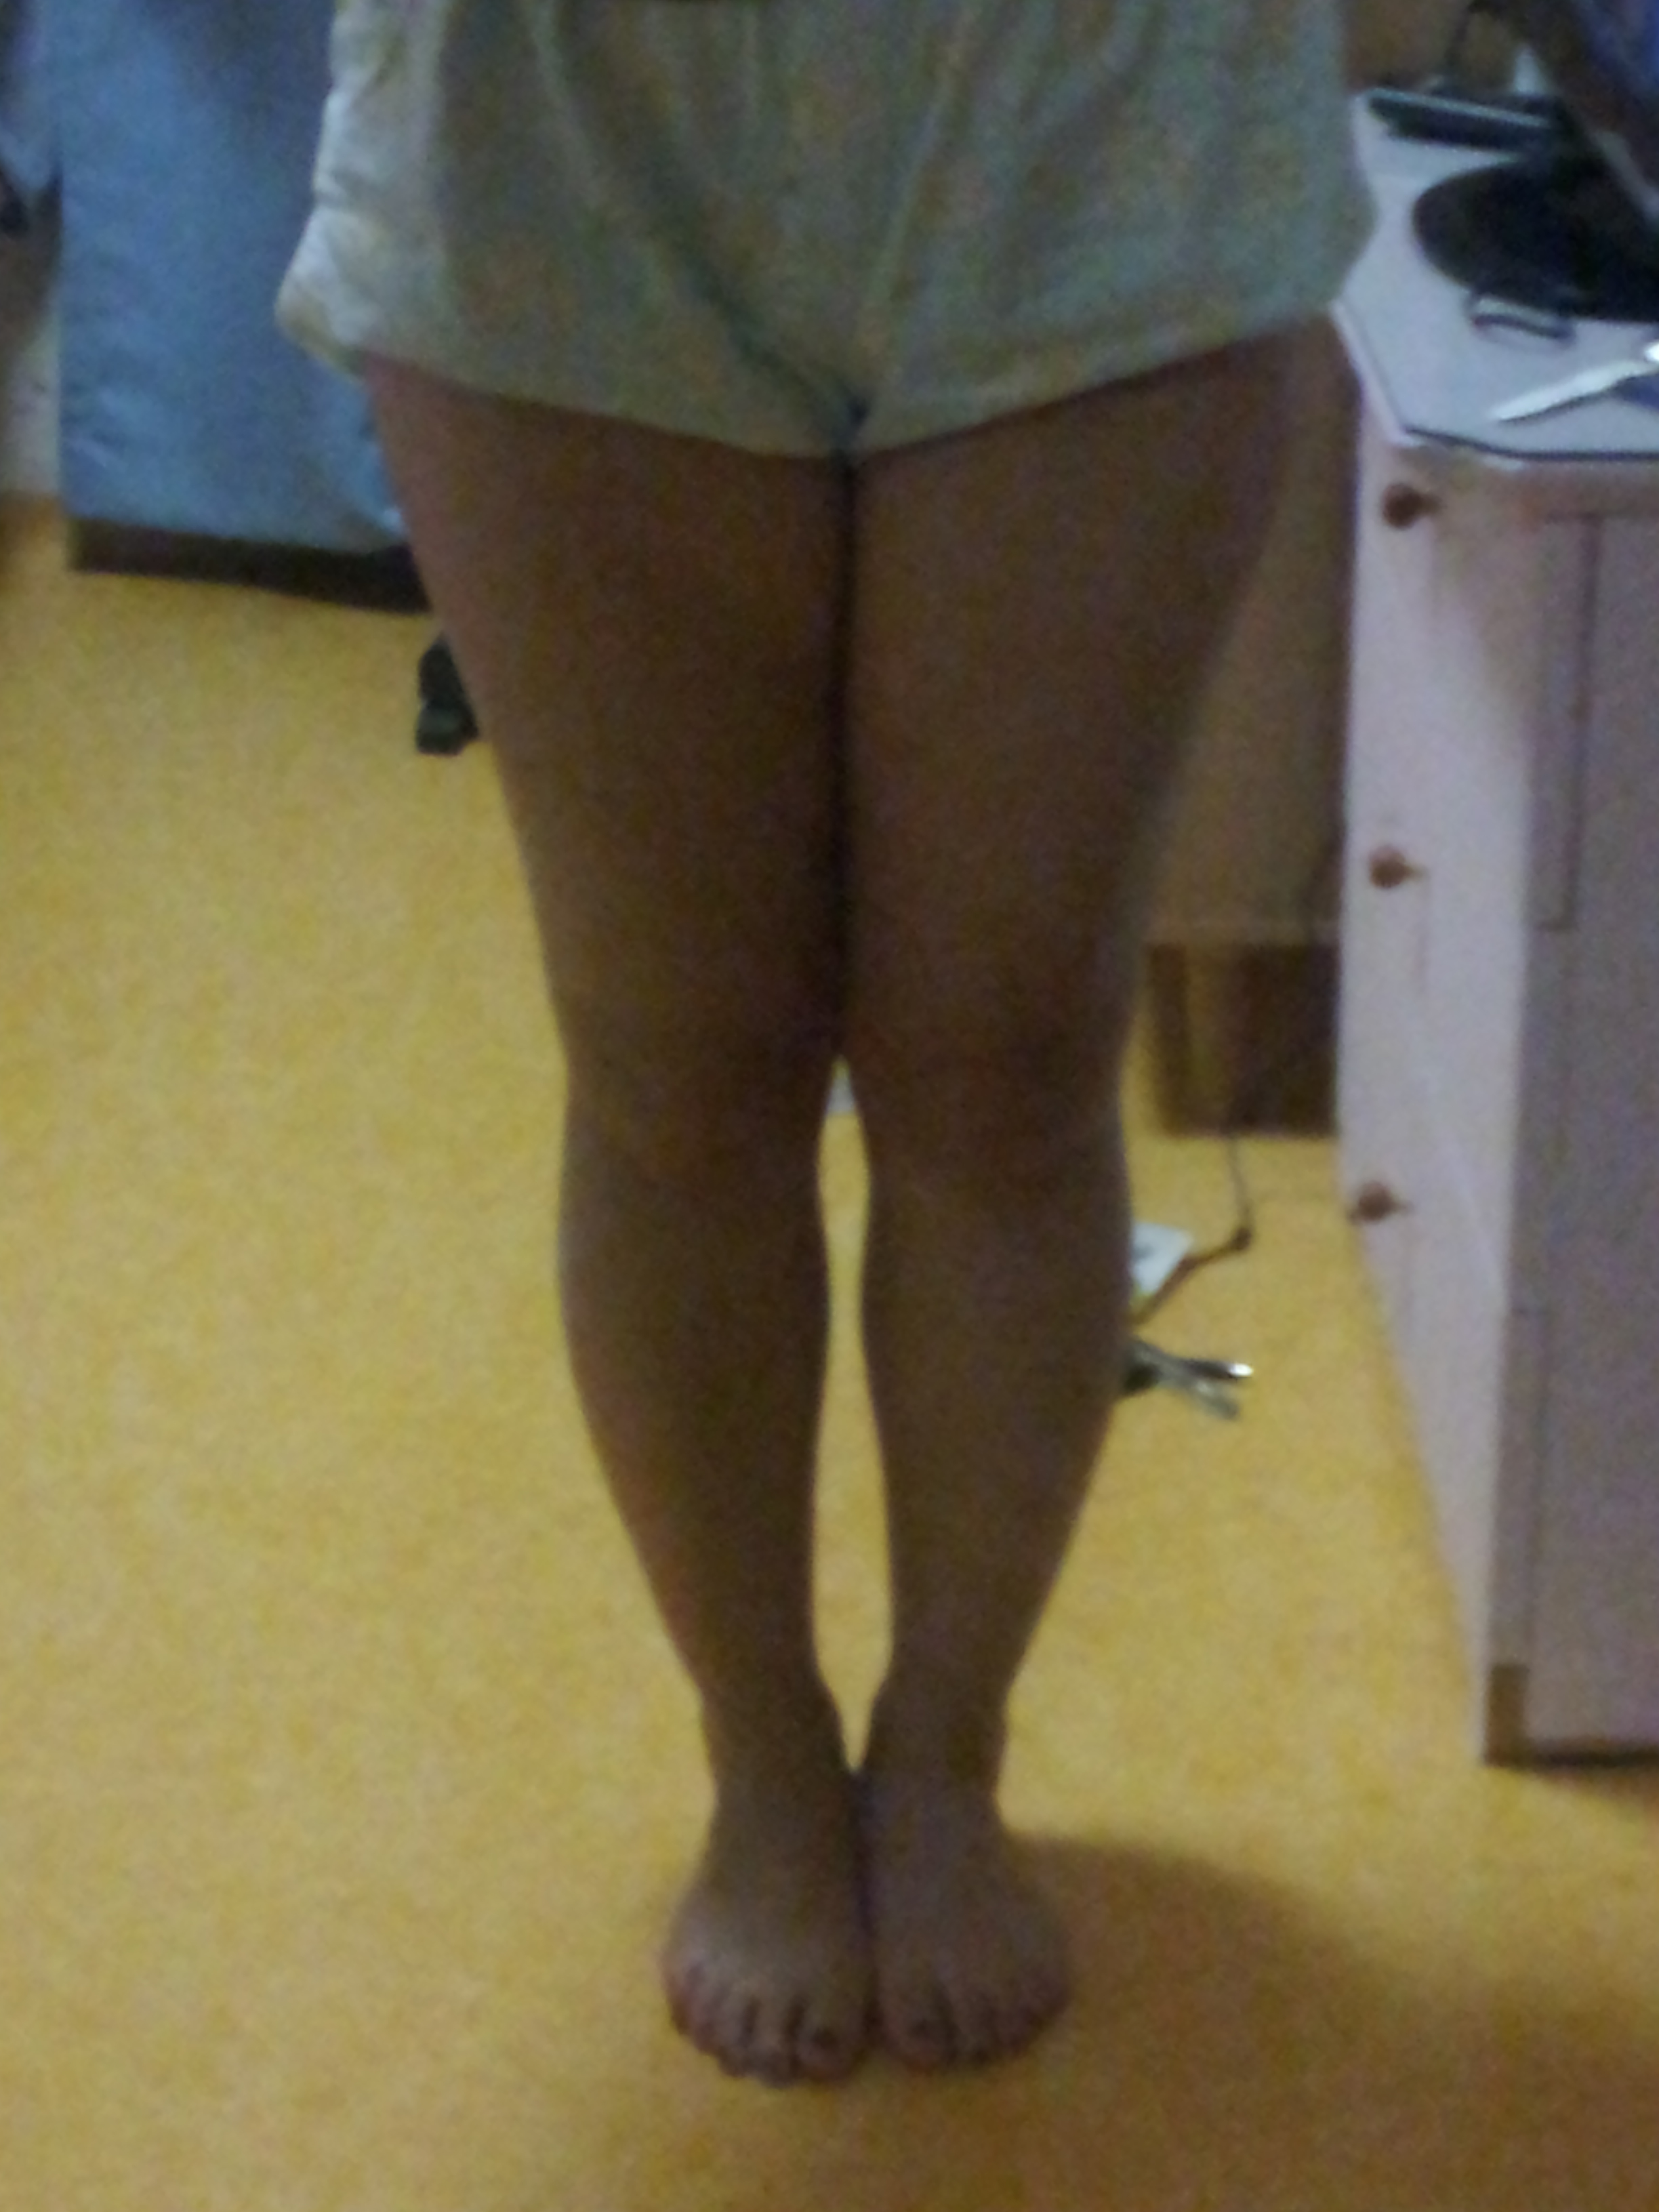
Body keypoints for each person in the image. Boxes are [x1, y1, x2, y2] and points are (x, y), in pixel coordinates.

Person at [280, 0, 1370, 2089]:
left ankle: (944, 1751)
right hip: (556, 103)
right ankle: (764, 1753)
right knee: (679, 1071)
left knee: (1009, 1065)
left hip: (1101, 90)